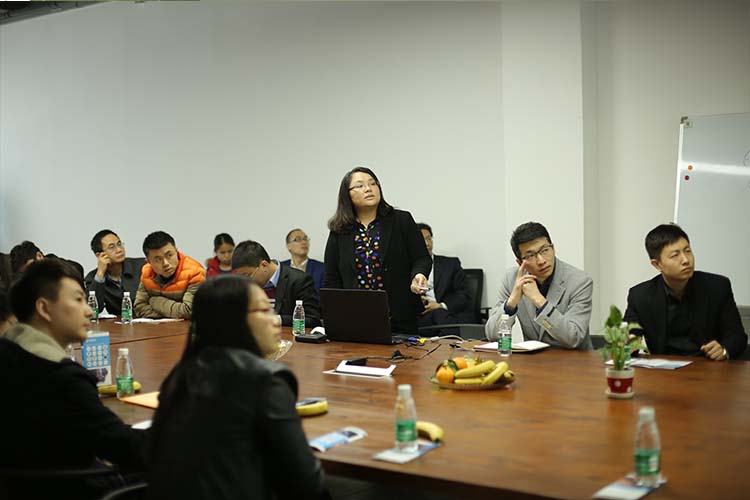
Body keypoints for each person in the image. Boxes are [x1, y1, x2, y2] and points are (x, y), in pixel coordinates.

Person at [147, 276, 327, 500]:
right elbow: (307, 481)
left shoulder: (181, 372)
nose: (276, 321)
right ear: (233, 320)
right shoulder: (266, 379)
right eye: (264, 310)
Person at [0, 259, 146, 499]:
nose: (88, 310)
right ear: (44, 309)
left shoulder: (9, 354)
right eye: (78, 300)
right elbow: (124, 447)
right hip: (71, 486)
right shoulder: (61, 378)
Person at [324, 167, 432, 334]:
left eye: (373, 183)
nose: (368, 189)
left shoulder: (401, 220)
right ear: (347, 195)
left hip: (399, 315)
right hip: (355, 316)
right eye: (360, 185)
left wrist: (419, 274)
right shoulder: (340, 230)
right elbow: (332, 277)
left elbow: (422, 258)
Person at [624, 223, 747, 360]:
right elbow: (629, 334)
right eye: (675, 255)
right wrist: (629, 343)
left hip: (708, 367)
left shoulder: (717, 287)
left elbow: (737, 337)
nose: (685, 260)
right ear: (657, 264)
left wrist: (723, 350)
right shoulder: (640, 296)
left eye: (687, 251)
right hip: (663, 369)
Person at [485, 222, 593, 349]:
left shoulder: (579, 281)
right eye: (531, 255)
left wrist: (539, 301)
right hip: (533, 359)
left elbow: (574, 337)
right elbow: (491, 335)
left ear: (553, 248)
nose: (541, 261)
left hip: (574, 359)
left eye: (545, 250)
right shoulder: (512, 279)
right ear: (520, 262)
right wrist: (511, 303)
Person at [232, 240, 320, 327]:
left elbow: (312, 320)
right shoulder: (249, 285)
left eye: (248, 276)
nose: (246, 281)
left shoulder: (299, 280)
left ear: (264, 265)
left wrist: (276, 319)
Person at [134, 231, 205, 319]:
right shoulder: (147, 273)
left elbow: (189, 311)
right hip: (159, 326)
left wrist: (155, 301)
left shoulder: (195, 272)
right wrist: (165, 316)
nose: (166, 263)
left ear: (176, 251)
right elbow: (139, 307)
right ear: (148, 261)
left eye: (169, 255)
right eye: (158, 259)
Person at [416, 223, 475, 325]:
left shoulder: (450, 265)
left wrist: (440, 306)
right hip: (422, 316)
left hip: (448, 313)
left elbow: (464, 295)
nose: (427, 243)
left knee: (439, 314)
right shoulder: (409, 268)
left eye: (429, 238)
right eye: (422, 240)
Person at [84, 229, 145, 315]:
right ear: (99, 255)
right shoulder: (93, 278)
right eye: (112, 247)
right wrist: (100, 274)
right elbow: (94, 309)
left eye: (119, 244)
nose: (119, 250)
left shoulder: (141, 266)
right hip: (121, 322)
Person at [281, 228, 325, 294]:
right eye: (298, 239)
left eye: (305, 239)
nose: (304, 242)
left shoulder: (321, 268)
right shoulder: (281, 268)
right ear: (288, 246)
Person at [10, 240, 84, 279]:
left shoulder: (69, 269)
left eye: (30, 268)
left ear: (39, 256)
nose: (30, 273)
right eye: (25, 272)